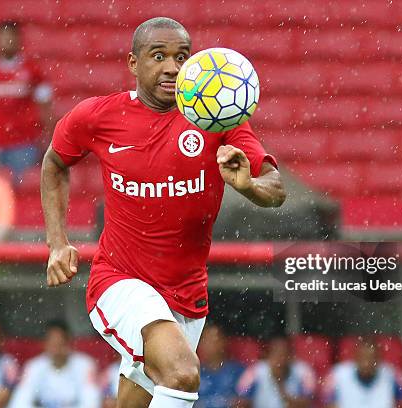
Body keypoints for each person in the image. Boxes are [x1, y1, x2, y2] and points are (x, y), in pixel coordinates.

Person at [41, 16, 285, 408]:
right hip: (119, 282)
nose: (173, 67)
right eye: (159, 56)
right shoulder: (98, 116)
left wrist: (249, 186)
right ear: (133, 64)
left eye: (182, 57)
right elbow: (54, 163)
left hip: (186, 295)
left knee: (140, 398)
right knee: (183, 373)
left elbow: (275, 190)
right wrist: (58, 243)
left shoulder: (217, 118)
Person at [0, 20, 52, 179]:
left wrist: (49, 137)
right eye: (2, 36)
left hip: (24, 142)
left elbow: (45, 107)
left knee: (22, 190)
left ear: (19, 39)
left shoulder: (33, 70)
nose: (6, 40)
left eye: (10, 36)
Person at [9, 319, 101, 408]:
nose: (56, 350)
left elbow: (92, 404)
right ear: (45, 344)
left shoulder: (85, 365)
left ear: (68, 342)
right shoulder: (33, 366)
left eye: (60, 343)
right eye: (53, 344)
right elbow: (18, 403)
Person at [322, 338, 402, 408]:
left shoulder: (392, 373)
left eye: (371, 358)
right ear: (355, 357)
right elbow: (328, 404)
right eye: (363, 358)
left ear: (379, 359)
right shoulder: (337, 374)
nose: (367, 363)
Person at [236, 335, 316, 408]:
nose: (281, 360)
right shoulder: (255, 371)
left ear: (292, 356)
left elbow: (307, 403)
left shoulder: (303, 371)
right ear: (267, 356)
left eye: (285, 354)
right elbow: (240, 400)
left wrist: (281, 388)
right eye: (276, 354)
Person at [197, 324, 245, 408]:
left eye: (213, 340)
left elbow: (245, 402)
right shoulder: (195, 373)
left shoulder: (238, 372)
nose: (208, 344)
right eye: (205, 340)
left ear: (223, 341)